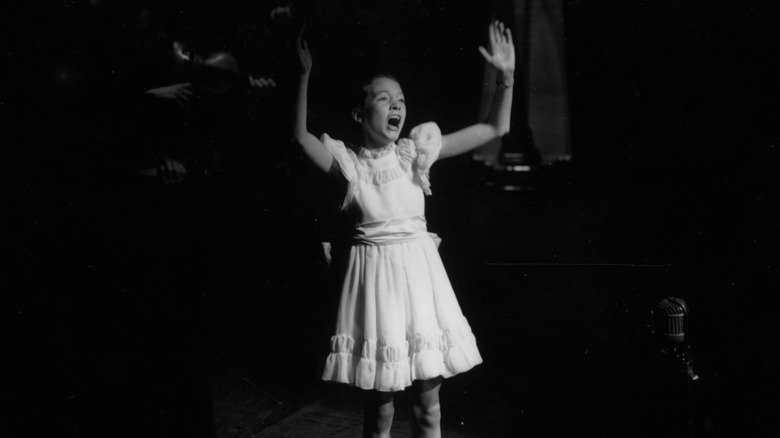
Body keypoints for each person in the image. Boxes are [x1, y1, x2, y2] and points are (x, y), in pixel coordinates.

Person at [293, 20, 516, 438]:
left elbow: (493, 129)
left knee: (428, 409)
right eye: (383, 99)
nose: (396, 106)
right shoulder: (350, 167)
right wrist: (303, 75)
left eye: (400, 99)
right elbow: (299, 138)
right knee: (380, 416)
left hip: (420, 286)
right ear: (360, 113)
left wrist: (507, 77)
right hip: (376, 294)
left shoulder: (415, 154)